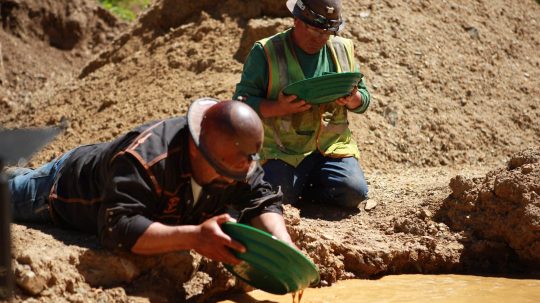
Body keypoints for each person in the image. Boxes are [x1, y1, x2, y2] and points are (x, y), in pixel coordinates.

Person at [6, 98, 293, 265]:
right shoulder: (148, 159)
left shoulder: (234, 158)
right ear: (195, 148)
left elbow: (261, 197)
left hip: (108, 165)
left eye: (236, 174)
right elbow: (117, 227)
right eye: (221, 172)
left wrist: (284, 248)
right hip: (60, 189)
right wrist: (194, 236)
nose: (229, 182)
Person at [233, 0, 371, 209]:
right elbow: (240, 103)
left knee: (354, 192)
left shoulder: (343, 49)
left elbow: (364, 98)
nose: (320, 39)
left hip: (330, 148)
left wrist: (353, 99)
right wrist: (278, 108)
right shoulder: (267, 51)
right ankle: (289, 189)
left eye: (326, 33)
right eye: (315, 31)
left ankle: (302, 189)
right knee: (272, 199)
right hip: (282, 151)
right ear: (296, 20)